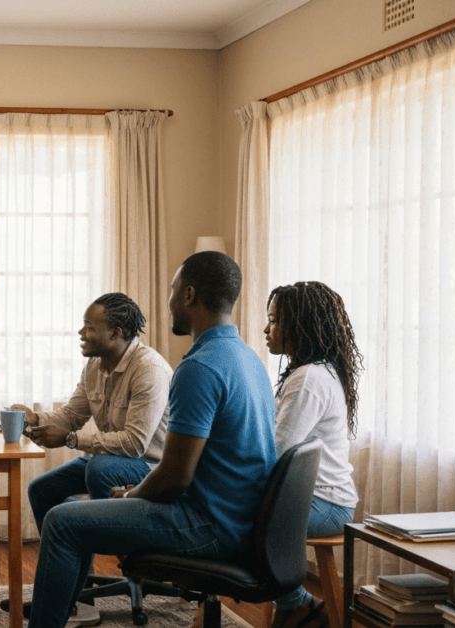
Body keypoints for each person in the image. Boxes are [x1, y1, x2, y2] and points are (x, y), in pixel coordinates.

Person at [25, 251, 278, 628]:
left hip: (210, 524)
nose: (170, 300)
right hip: (239, 518)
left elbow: (174, 477)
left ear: (189, 295)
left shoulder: (199, 366)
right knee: (56, 499)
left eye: (173, 290)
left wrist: (127, 495)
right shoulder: (247, 357)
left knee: (63, 521)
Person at [12, 292, 172, 532]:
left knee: (100, 468)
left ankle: (112, 546)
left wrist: (70, 439)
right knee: (41, 489)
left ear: (115, 333)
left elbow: (135, 443)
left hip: (149, 465)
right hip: (109, 460)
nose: (80, 333)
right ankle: (72, 565)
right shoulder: (95, 365)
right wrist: (35, 418)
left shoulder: (149, 369)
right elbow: (71, 416)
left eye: (88, 327)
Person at [266, 281, 363, 628]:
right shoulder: (312, 371)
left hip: (328, 505)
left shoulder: (309, 378)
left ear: (298, 326)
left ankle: (298, 604)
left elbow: (276, 453)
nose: (267, 328)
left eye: (274, 320)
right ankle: (295, 604)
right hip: (317, 498)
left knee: (238, 517)